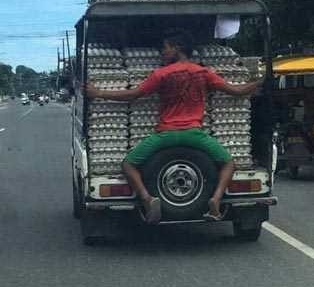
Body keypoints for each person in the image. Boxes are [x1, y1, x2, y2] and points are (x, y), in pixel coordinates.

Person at [85, 31, 263, 224]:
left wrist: (98, 92)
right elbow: (237, 91)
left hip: (166, 134)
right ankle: (216, 200)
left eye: (165, 47)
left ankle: (148, 199)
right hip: (195, 135)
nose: (162, 52)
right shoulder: (202, 73)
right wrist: (260, 82)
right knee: (228, 163)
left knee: (128, 164)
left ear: (177, 48)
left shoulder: (161, 74)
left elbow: (133, 94)